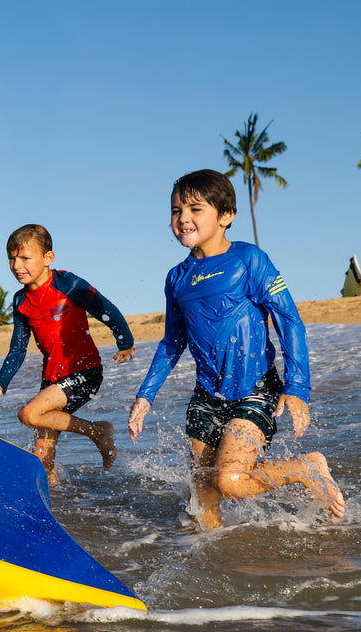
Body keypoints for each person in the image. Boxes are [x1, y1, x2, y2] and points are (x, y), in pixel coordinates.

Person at [127, 169, 345, 528]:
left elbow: (289, 320)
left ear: (226, 215)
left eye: (195, 209)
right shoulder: (176, 278)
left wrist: (297, 388)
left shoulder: (249, 259)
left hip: (255, 389)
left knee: (230, 481)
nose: (183, 218)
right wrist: (145, 395)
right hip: (206, 395)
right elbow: (172, 341)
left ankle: (305, 467)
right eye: (176, 210)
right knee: (203, 497)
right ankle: (209, 561)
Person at [0, 224, 135, 484]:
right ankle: (57, 505)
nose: (17, 265)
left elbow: (105, 309)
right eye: (12, 258)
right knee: (42, 460)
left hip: (85, 372)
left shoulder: (69, 284)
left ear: (48, 258)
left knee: (29, 415)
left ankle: (98, 431)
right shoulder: (21, 301)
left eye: (25, 258)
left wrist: (125, 341)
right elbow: (18, 348)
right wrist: (1, 383)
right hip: (53, 379)